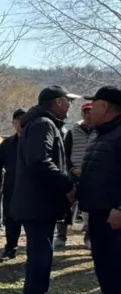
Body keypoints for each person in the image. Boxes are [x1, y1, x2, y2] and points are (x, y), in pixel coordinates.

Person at [12, 85, 80, 294]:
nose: (70, 106)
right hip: (38, 203)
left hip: (37, 202)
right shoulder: (43, 124)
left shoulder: (41, 123)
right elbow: (39, 161)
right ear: (57, 101)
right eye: (68, 101)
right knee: (40, 256)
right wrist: (66, 185)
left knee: (41, 254)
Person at [76, 86, 121, 294]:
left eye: (94, 103)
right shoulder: (102, 133)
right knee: (104, 263)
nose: (90, 108)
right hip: (97, 210)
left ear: (105, 106)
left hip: (114, 213)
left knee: (117, 263)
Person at [60, 103, 96, 249]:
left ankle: (89, 237)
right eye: (85, 112)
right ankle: (61, 236)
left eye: (90, 112)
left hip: (93, 175)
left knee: (90, 207)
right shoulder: (72, 131)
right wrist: (72, 168)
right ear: (81, 114)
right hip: (74, 174)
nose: (88, 115)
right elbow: (65, 154)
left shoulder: (101, 130)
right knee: (66, 203)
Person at [0, 109, 26, 260]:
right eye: (17, 119)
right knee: (11, 219)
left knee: (31, 221)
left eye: (23, 119)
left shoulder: (36, 141)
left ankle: (34, 251)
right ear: (13, 123)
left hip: (32, 188)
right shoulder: (8, 143)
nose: (20, 122)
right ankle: (10, 249)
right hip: (12, 185)